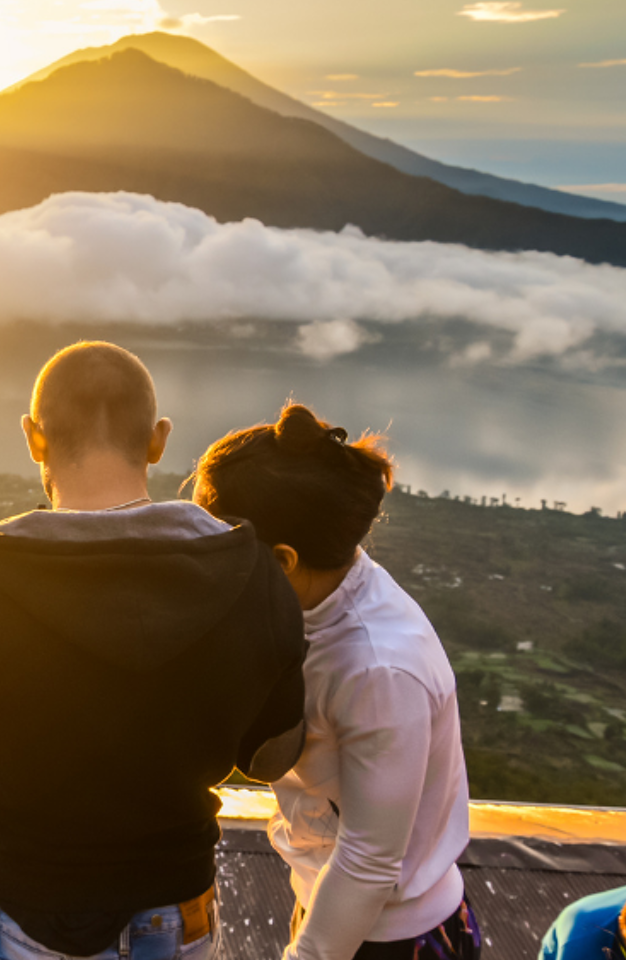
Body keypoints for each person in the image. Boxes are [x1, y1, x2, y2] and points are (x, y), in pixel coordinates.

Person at [0, 341, 309, 960]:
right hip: (174, 910)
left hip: (21, 907)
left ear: (35, 438)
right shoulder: (253, 575)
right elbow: (273, 758)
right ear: (158, 440)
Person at [193, 403, 475, 960]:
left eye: (221, 546)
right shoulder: (313, 596)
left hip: (387, 938)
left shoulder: (378, 669)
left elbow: (370, 861)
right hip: (331, 907)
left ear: (284, 559)